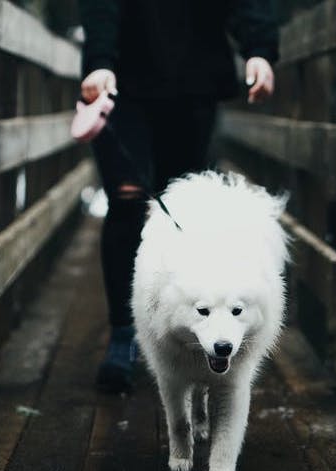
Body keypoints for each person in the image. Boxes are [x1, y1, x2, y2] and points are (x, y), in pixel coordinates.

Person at [78, 1, 279, 393]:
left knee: (180, 212)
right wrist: (98, 59)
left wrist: (259, 50)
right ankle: (124, 333)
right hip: (123, 81)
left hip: (194, 83)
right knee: (127, 199)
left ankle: (181, 327)